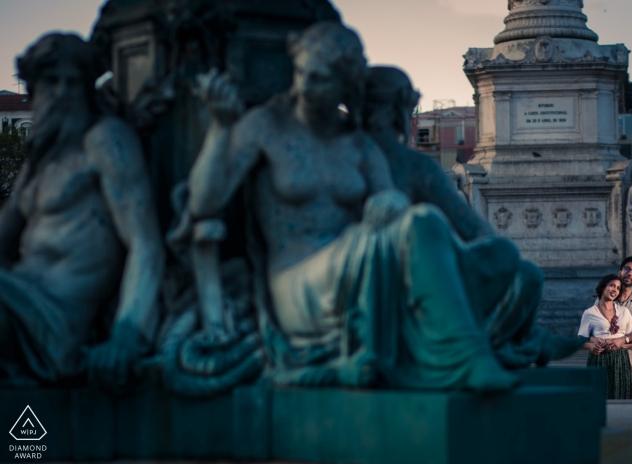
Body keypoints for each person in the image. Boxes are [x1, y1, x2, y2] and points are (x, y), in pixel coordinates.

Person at [175, 21, 535, 394]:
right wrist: (220, 129)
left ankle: (458, 346)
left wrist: (389, 204)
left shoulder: (359, 145)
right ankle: (468, 358)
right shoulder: (265, 127)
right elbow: (204, 203)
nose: (303, 87)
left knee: (501, 253)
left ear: (345, 86)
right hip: (300, 284)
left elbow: (387, 199)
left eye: (319, 79)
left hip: (353, 264)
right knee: (425, 223)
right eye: (301, 74)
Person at [361, 65, 582, 369]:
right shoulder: (403, 164)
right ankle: (502, 345)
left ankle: (518, 340)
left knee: (523, 270)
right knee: (512, 264)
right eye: (409, 110)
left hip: (406, 264)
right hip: (392, 272)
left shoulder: (390, 161)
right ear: (397, 111)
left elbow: (474, 229)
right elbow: (475, 229)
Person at [0, 34, 164, 388]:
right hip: (16, 298)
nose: (61, 93)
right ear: (33, 88)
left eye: (72, 83)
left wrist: (127, 333)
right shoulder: (39, 160)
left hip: (55, 323)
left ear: (87, 89)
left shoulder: (106, 141)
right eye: (51, 82)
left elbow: (145, 243)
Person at [596, 256, 632, 398]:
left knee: (627, 407)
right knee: (603, 404)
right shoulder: (603, 299)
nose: (630, 273)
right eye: (627, 269)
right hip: (605, 359)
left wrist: (623, 340)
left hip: (631, 360)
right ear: (620, 272)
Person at [579, 274, 632, 399]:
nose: (614, 290)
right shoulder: (589, 313)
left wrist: (621, 343)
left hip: (621, 360)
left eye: (618, 288)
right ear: (603, 287)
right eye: (611, 285)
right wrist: (590, 345)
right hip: (599, 359)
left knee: (621, 396)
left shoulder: (624, 312)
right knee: (598, 397)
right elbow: (580, 341)